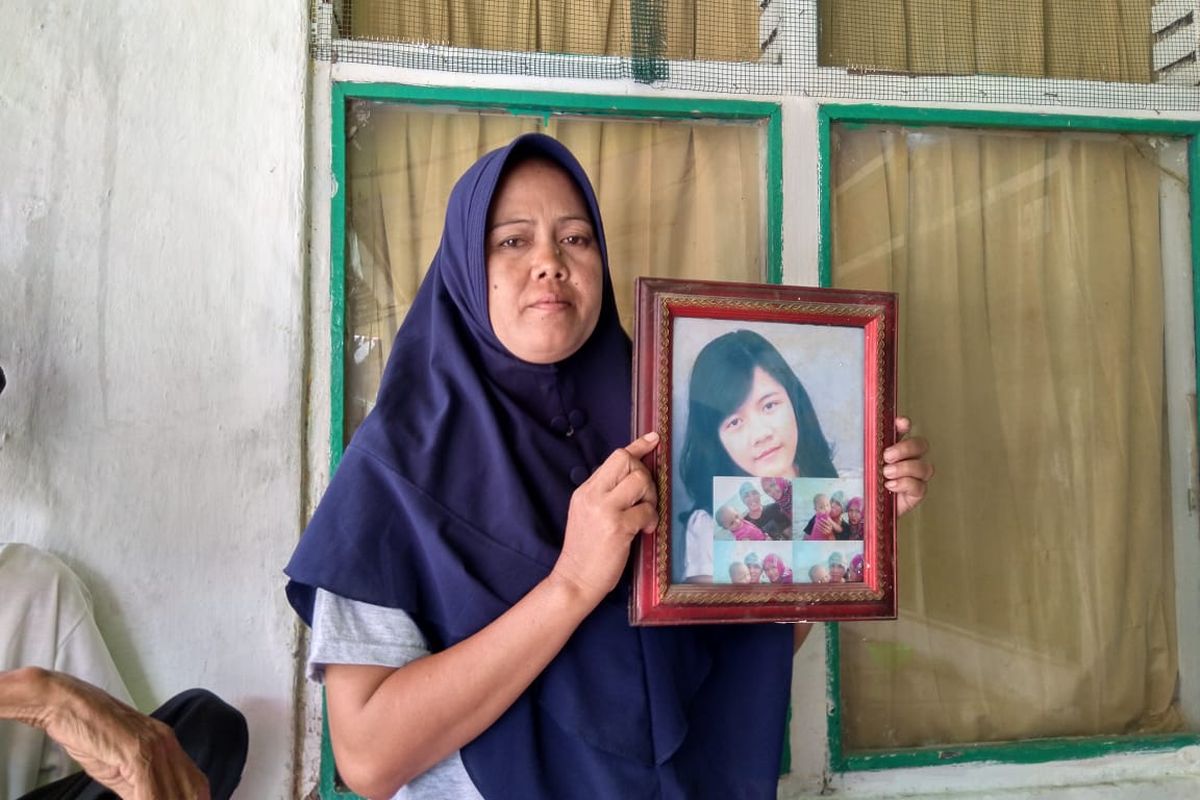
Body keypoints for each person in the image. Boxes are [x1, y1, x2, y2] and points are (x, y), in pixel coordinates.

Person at [284, 133, 932, 799]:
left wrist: (857, 533)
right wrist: (571, 583)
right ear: (464, 267)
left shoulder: (660, 432)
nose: (549, 263)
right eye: (512, 241)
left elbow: (731, 654)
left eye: (576, 239)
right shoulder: (393, 469)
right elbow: (367, 758)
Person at [0, 543, 247, 800]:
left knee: (205, 727)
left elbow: (122, 758)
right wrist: (40, 697)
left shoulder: (36, 584)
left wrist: (55, 700)